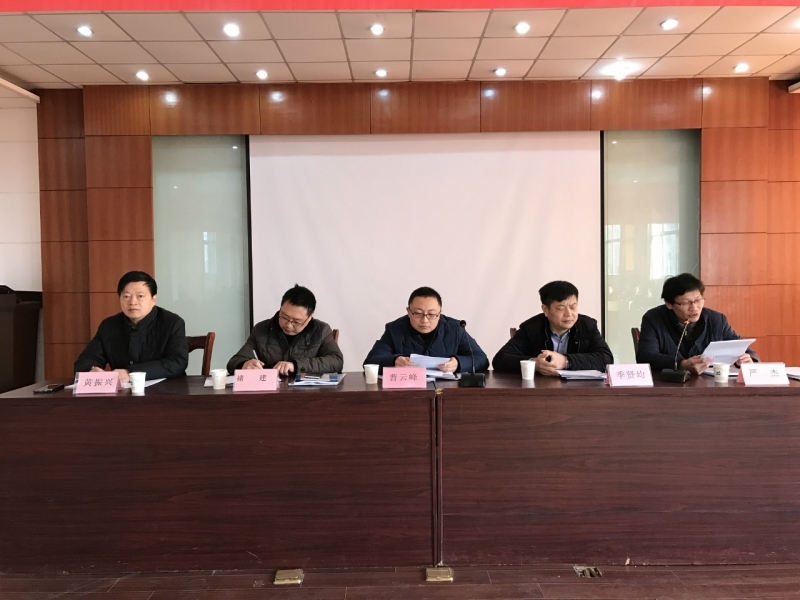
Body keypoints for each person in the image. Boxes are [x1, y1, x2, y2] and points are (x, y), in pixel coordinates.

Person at [74, 271, 189, 381]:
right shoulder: (109, 326)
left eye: (140, 296)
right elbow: (86, 359)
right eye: (126, 296)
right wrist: (92, 369)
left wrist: (130, 373)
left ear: (153, 299)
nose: (132, 302)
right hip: (123, 392)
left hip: (166, 390)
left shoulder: (172, 323)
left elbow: (178, 362)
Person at [636, 273, 758, 376]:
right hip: (668, 385)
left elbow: (740, 347)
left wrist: (747, 360)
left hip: (709, 386)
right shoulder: (654, 319)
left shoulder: (717, 320)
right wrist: (681, 364)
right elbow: (645, 356)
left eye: (698, 300)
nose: (694, 308)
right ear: (669, 304)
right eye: (686, 303)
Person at [492, 280, 613, 376]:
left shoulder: (587, 326)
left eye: (573, 307)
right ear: (545, 309)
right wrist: (534, 363)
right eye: (561, 308)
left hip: (577, 391)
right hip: (540, 391)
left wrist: (566, 361)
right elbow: (500, 360)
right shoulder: (531, 328)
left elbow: (606, 359)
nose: (569, 314)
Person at [363, 286, 489, 373]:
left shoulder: (455, 328)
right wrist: (393, 361)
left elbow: (481, 359)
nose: (425, 320)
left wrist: (459, 363)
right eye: (418, 313)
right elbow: (371, 361)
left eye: (432, 314)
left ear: (440, 313)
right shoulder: (395, 329)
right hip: (408, 393)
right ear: (408, 311)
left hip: (446, 392)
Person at [227, 284, 343, 376]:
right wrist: (244, 364)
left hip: (307, 394)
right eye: (284, 317)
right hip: (270, 394)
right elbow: (234, 362)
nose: (288, 325)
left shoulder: (321, 331)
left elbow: (336, 362)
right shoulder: (261, 330)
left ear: (309, 317)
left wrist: (295, 366)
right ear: (280, 308)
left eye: (296, 321)